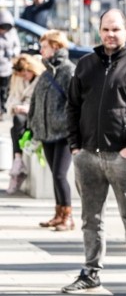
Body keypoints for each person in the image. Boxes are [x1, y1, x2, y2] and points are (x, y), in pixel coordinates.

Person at [63, 9, 126, 296]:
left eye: (116, 29)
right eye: (106, 29)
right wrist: (75, 146)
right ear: (100, 31)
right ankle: (91, 272)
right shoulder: (86, 64)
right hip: (88, 156)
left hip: (123, 157)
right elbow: (72, 106)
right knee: (91, 218)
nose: (110, 34)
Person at [28, 30, 76, 231]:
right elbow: (36, 100)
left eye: (44, 46)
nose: (41, 50)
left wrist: (64, 122)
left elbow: (74, 102)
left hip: (63, 132)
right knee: (54, 174)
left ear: (56, 47)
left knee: (59, 174)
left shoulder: (68, 70)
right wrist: (32, 122)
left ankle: (68, 216)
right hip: (46, 131)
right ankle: (58, 213)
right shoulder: (46, 72)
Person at [6, 55, 44, 194]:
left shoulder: (41, 79)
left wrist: (28, 108)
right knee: (15, 124)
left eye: (26, 73)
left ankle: (17, 163)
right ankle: (18, 162)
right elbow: (12, 98)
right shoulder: (17, 80)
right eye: (22, 74)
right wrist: (16, 107)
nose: (25, 76)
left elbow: (43, 103)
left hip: (37, 117)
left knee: (16, 125)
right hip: (22, 118)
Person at [0, 9, 20, 120]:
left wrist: (12, 53)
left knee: (4, 89)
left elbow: (17, 46)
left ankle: (2, 109)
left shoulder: (12, 33)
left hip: (7, 67)